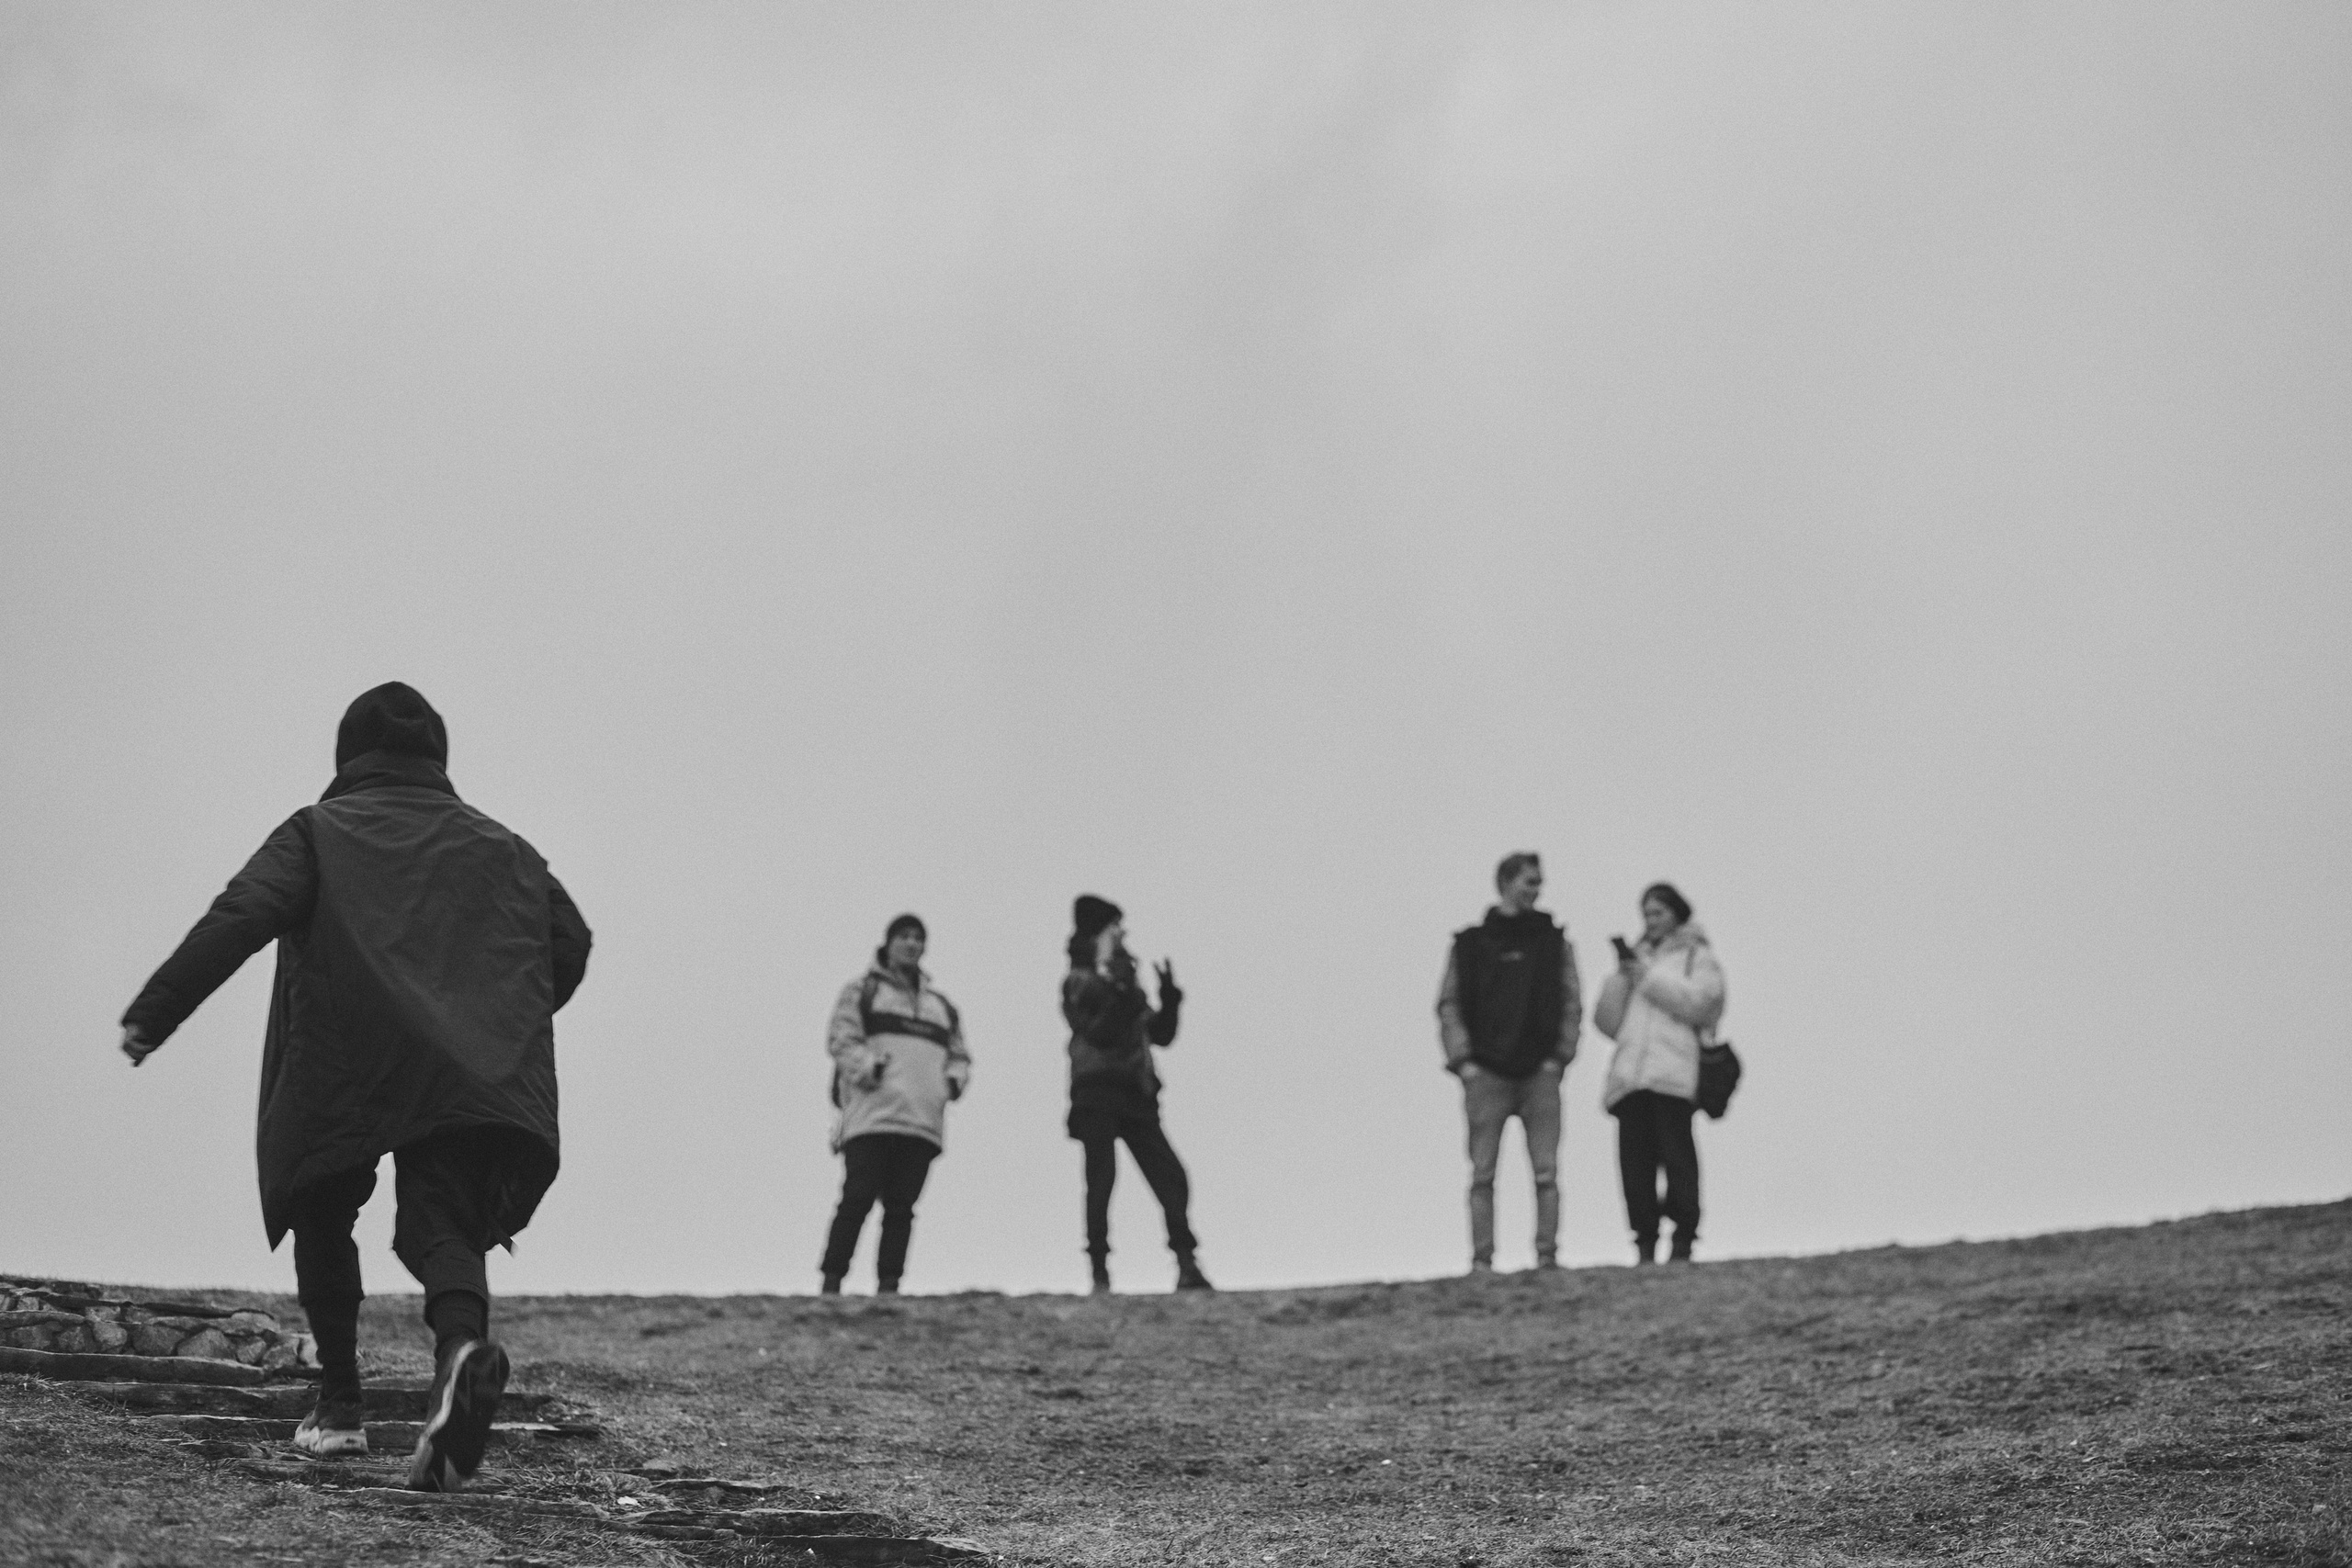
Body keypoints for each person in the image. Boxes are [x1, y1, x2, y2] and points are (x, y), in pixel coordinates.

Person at [118, 682, 591, 1491]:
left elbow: (241, 913)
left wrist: (153, 1013)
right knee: (444, 1218)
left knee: (323, 1202)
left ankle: (339, 1405)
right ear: (437, 757)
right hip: (463, 1066)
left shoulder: (320, 830)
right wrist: (491, 1017)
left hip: (342, 1057)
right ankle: (459, 1354)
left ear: (350, 756)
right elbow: (569, 942)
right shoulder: (505, 847)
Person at [1436, 852, 1583, 1274]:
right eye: (1529, 881)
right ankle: (1482, 1262)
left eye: (1539, 882)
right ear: (1506, 882)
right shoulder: (1469, 945)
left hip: (1540, 1072)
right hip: (1486, 1073)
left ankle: (1546, 1256)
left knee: (1545, 1172)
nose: (1537, 890)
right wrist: (1464, 1062)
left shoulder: (1554, 943)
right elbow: (1449, 1004)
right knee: (1483, 1173)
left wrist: (1559, 1056)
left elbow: (1571, 1001)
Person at [1062, 895, 1210, 1294]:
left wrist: (1170, 1001)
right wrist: (1123, 992)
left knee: (1171, 1176)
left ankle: (1186, 1263)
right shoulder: (1079, 981)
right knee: (1102, 1179)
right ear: (1097, 932)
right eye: (1115, 926)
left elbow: (1158, 1034)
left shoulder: (1123, 976)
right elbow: (1100, 1033)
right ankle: (1100, 1272)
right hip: (1096, 1090)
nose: (1123, 933)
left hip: (1135, 1090)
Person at [819, 913, 971, 1295]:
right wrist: (868, 1069)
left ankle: (890, 1286)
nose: (912, 944)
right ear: (887, 943)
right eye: (904, 936)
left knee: (902, 1208)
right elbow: (842, 1039)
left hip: (921, 1121)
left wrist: (951, 1083)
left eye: (918, 938)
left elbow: (959, 1055)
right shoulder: (862, 991)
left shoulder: (941, 1006)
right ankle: (832, 1282)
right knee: (857, 1199)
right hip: (871, 1117)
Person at [1594, 882, 1725, 1264]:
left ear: (1676, 913)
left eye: (1658, 913)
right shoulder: (1636, 963)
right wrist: (1622, 976)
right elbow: (1607, 1022)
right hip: (1630, 1078)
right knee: (1635, 1168)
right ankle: (1645, 1243)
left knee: (1678, 1162)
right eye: (1646, 914)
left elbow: (1704, 1004)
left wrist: (1648, 979)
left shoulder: (1698, 956)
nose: (1650, 921)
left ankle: (1683, 1239)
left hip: (1674, 1076)